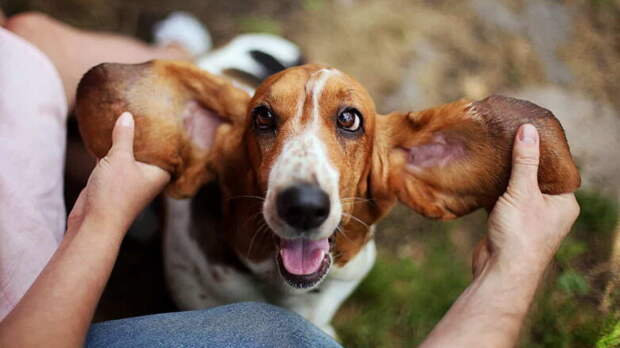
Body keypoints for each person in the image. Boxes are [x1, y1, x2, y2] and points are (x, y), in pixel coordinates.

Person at [0, 11, 580, 348]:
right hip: (210, 215)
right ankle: (185, 54)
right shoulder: (214, 146)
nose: (304, 190)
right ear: (222, 140)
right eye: (265, 123)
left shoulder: (396, 161)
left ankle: (182, 48)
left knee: (26, 30)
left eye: (348, 121)